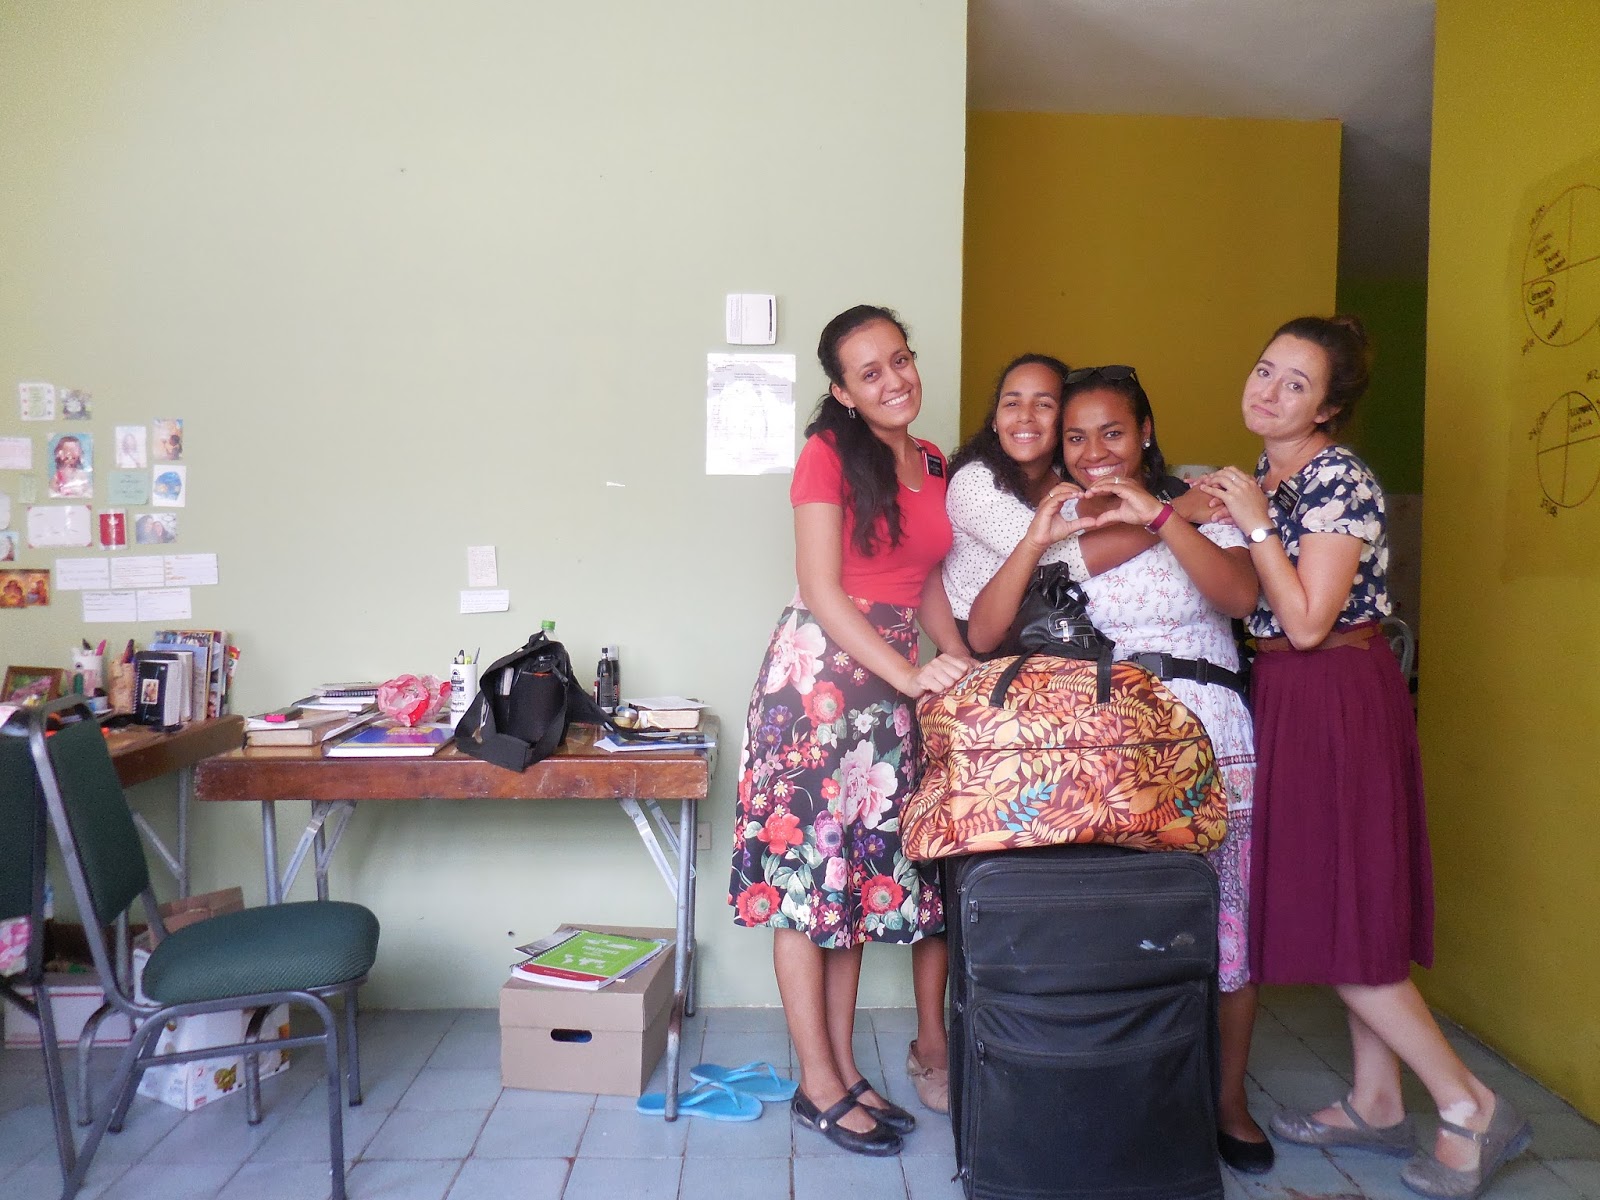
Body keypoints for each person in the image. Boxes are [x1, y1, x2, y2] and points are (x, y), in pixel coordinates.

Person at [1201, 316, 1531, 1198]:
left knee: (1339, 909)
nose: (1269, 391)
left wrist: (1253, 524)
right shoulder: (1268, 474)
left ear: (1329, 408)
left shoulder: (1338, 479)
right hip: (1288, 694)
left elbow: (1310, 621)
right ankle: (1378, 1103)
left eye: (1296, 384)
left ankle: (1469, 1105)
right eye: (1265, 369)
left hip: (1334, 692)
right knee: (1349, 904)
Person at [965, 364, 1272, 1174]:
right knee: (1126, 920)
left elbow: (1239, 597)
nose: (1094, 450)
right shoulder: (1066, 527)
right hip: (1114, 747)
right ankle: (1130, 1084)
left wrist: (1165, 514)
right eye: (1076, 437)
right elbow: (988, 632)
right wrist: (1044, 537)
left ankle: (1228, 1100)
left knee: (1229, 919)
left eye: (1112, 432)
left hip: (1211, 733)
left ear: (1145, 433)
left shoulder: (1194, 498)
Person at [728, 304, 974, 1157]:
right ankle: (817, 1082)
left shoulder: (932, 460)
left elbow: (922, 579)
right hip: (819, 689)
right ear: (842, 390)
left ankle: (842, 1071)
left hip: (887, 696)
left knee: (852, 886)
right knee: (807, 888)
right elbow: (822, 588)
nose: (894, 379)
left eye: (900, 359)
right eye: (870, 372)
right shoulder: (826, 455)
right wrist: (909, 675)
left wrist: (964, 661)